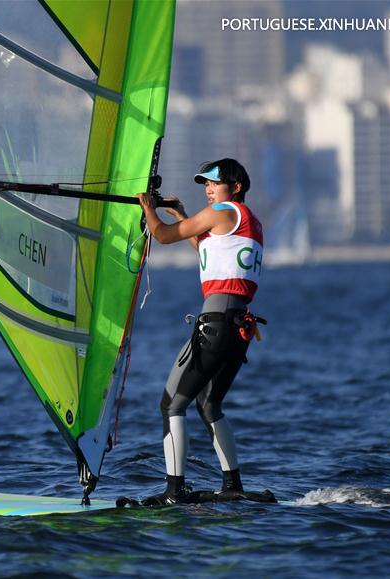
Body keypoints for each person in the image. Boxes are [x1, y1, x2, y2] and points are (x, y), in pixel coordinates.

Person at [130, 158, 266, 505]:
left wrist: (149, 208)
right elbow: (208, 250)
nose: (209, 190)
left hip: (215, 325)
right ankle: (233, 485)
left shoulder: (222, 210)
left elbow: (161, 236)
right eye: (205, 184)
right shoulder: (248, 222)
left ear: (235, 188)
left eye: (214, 184)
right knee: (209, 404)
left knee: (172, 404)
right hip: (239, 330)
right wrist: (181, 214)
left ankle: (174, 491)